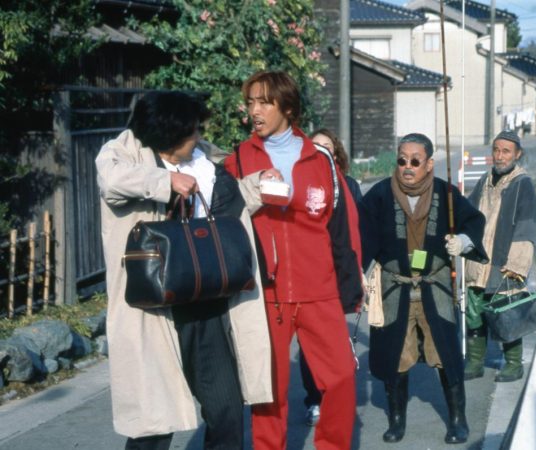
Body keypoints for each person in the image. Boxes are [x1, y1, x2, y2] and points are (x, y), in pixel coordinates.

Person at [96, 91, 272, 450]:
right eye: (192, 130)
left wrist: (258, 186)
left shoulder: (203, 157)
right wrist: (165, 183)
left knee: (226, 410)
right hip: (155, 306)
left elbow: (227, 206)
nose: (197, 135)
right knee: (154, 424)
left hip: (207, 297)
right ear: (167, 135)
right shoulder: (123, 151)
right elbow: (112, 182)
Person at [224, 71, 363, 450]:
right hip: (263, 293)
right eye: (251, 102)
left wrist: (350, 285)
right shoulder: (237, 159)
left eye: (264, 102)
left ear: (287, 106)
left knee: (340, 378)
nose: (254, 110)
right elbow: (224, 223)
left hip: (319, 289)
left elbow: (342, 227)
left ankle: (333, 444)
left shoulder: (319, 159)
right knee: (269, 387)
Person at [360, 133, 488, 444]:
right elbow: (362, 237)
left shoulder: (447, 194)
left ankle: (458, 420)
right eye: (402, 160)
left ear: (429, 163)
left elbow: (475, 221)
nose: (407, 167)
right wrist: (359, 274)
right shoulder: (377, 195)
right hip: (394, 286)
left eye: (415, 161)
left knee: (445, 352)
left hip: (436, 284)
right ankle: (397, 420)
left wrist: (463, 242)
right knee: (396, 354)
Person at [295, 128, 363, 427]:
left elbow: (354, 234)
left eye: (327, 148)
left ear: (336, 155)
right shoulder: (299, 182)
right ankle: (314, 398)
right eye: (315, 147)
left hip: (337, 274)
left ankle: (335, 397)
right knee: (308, 344)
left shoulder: (348, 185)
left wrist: (358, 272)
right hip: (306, 275)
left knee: (333, 343)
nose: (321, 153)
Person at [464, 129, 536, 383]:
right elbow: (470, 213)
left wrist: (516, 264)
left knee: (506, 311)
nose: (499, 156)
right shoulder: (486, 180)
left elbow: (526, 226)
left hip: (504, 259)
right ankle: (474, 362)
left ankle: (514, 364)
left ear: (517, 154)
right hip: (479, 258)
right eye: (496, 150)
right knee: (474, 311)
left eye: (506, 151)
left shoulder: (522, 184)